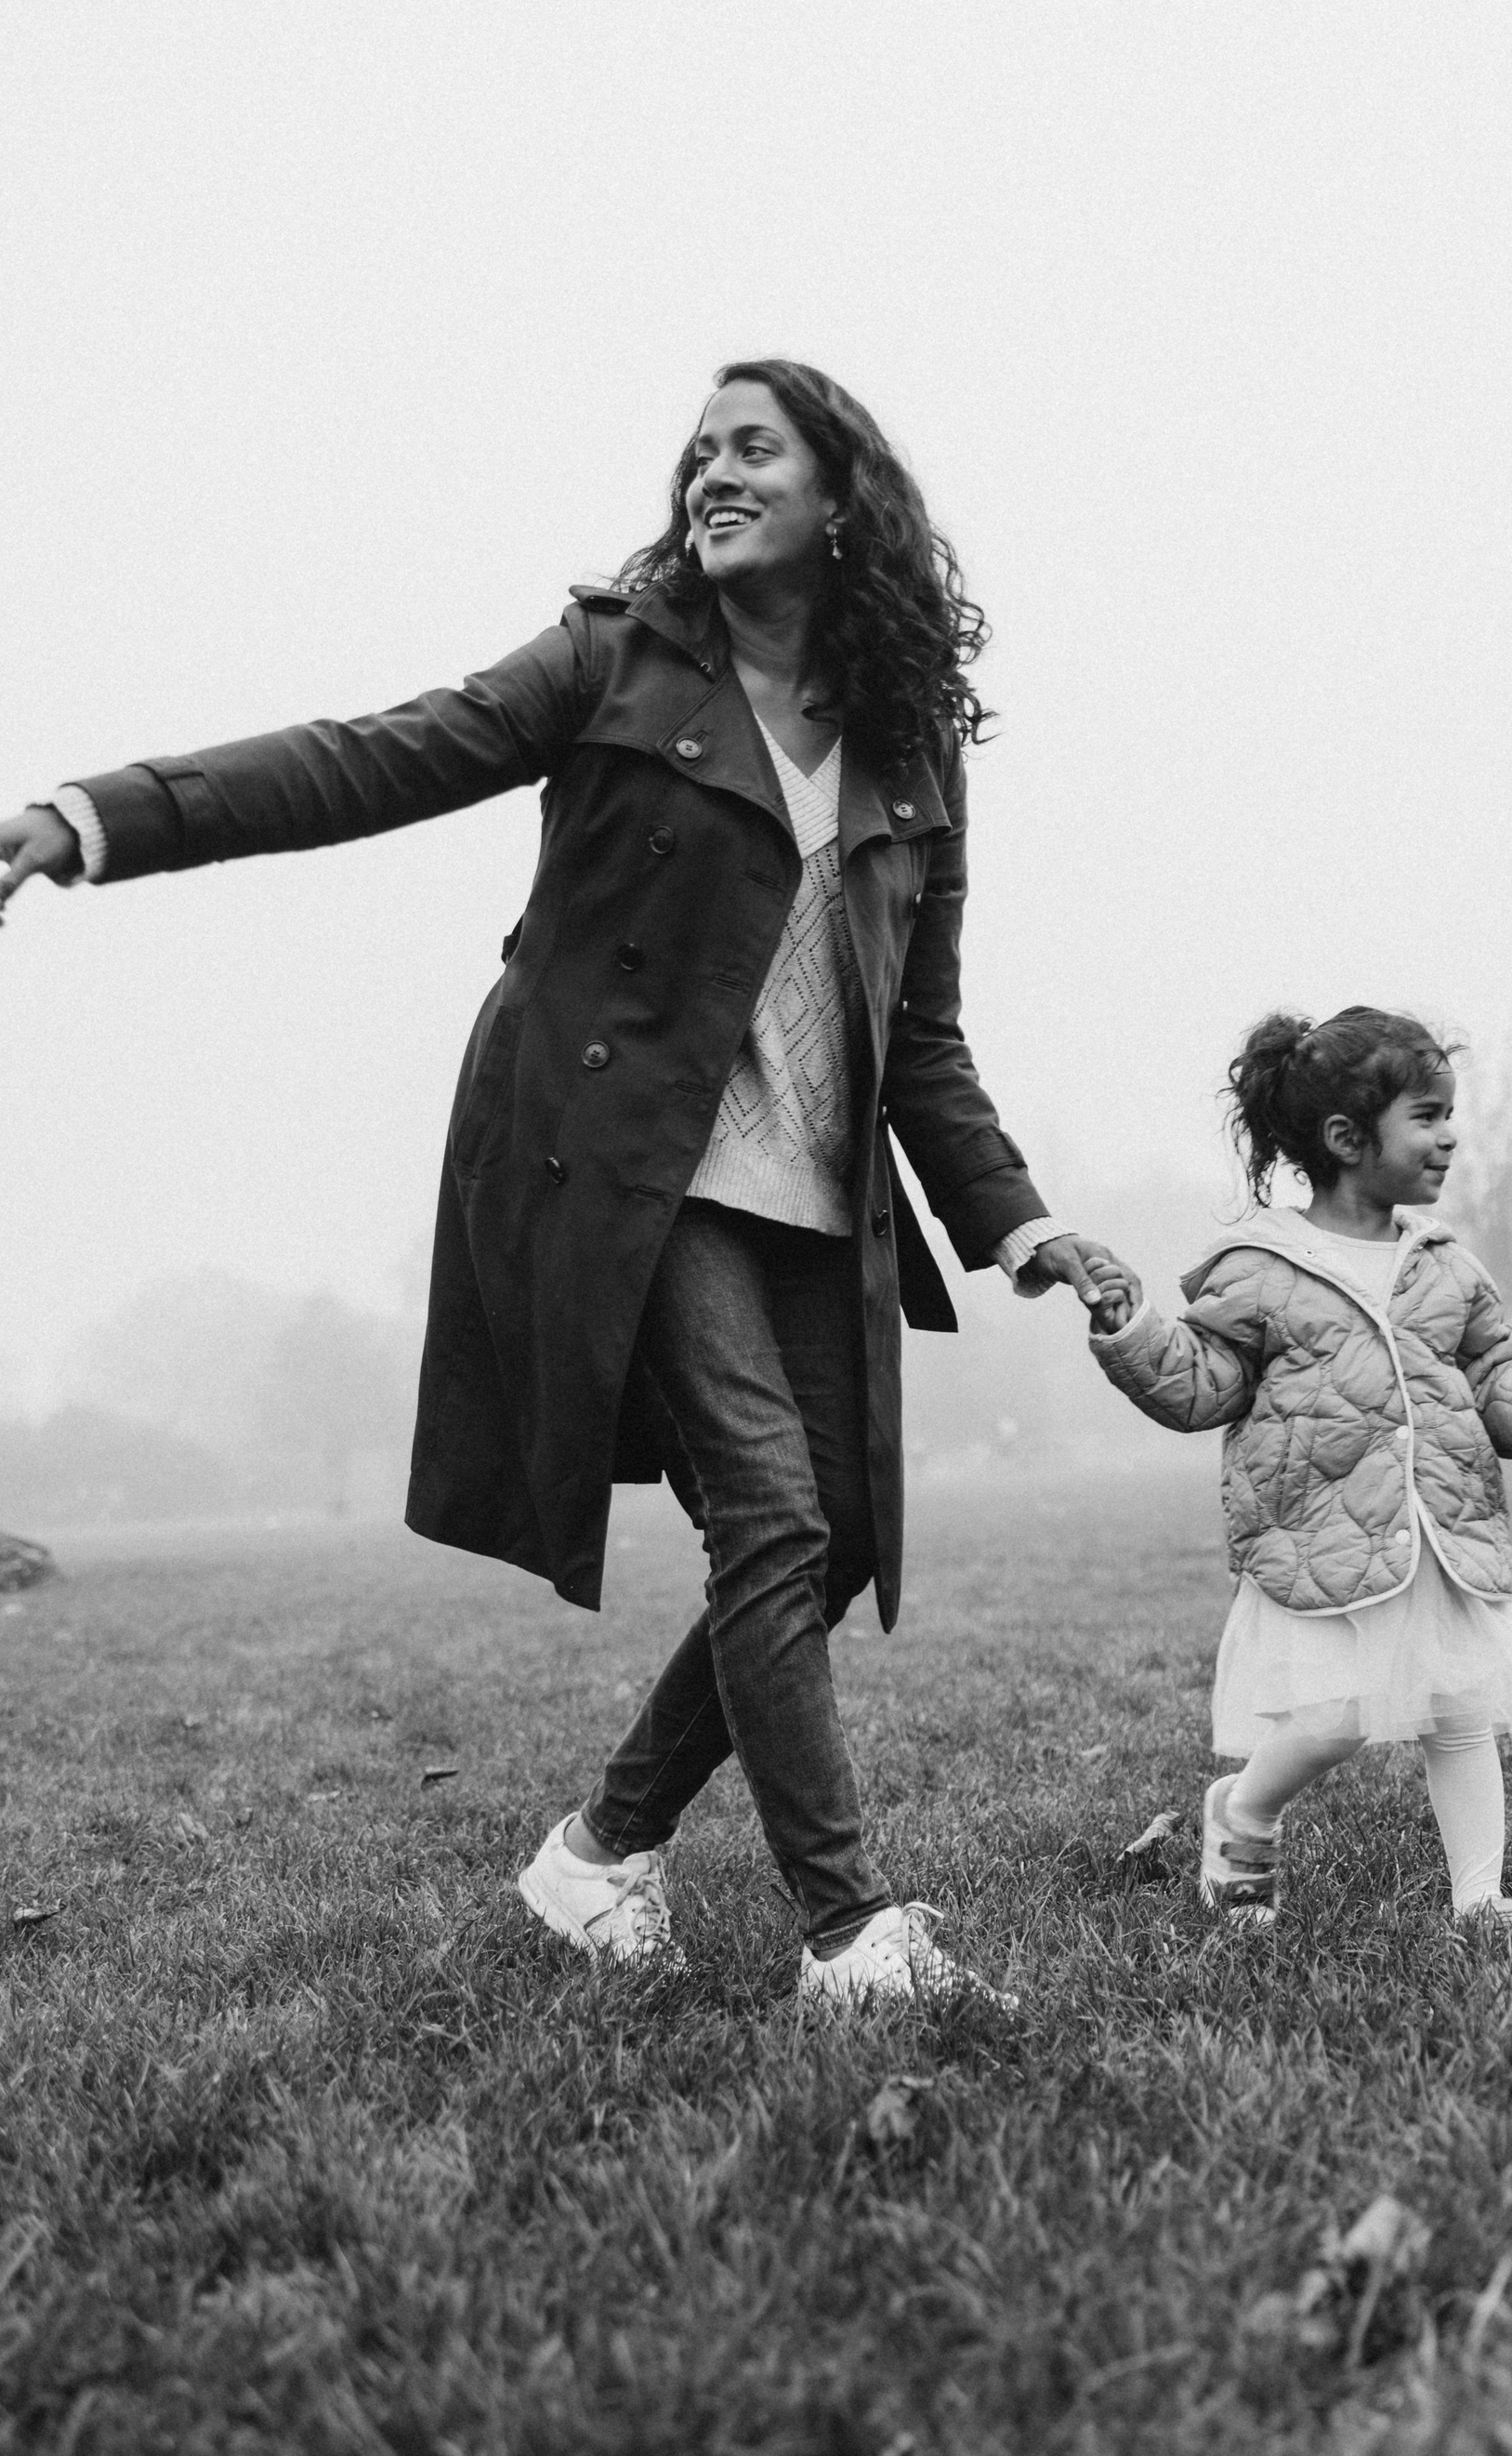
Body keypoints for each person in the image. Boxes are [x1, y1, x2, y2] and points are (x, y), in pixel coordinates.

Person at [0, 357, 1137, 2002]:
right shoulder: (617, 661)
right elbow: (366, 760)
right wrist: (99, 816)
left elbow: (924, 1038)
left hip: (812, 1198)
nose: (714, 474)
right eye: (699, 453)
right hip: (624, 1165)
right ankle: (849, 1935)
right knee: (767, 1509)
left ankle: (600, 1857)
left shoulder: (908, 752)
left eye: (757, 449)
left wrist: (1019, 1221)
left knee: (826, 1547)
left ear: (844, 499)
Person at [1082, 1006, 1512, 1927]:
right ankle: (1242, 1811)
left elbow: (1495, 1375)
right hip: (1319, 1535)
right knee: (1331, 1718)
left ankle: (1479, 1895)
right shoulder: (1262, 1268)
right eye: (1427, 1114)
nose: (1450, 1134)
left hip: (1439, 1531)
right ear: (1345, 1137)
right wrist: (1131, 1330)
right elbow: (1201, 1384)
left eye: (1450, 1113)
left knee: (1461, 1708)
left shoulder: (1445, 1266)